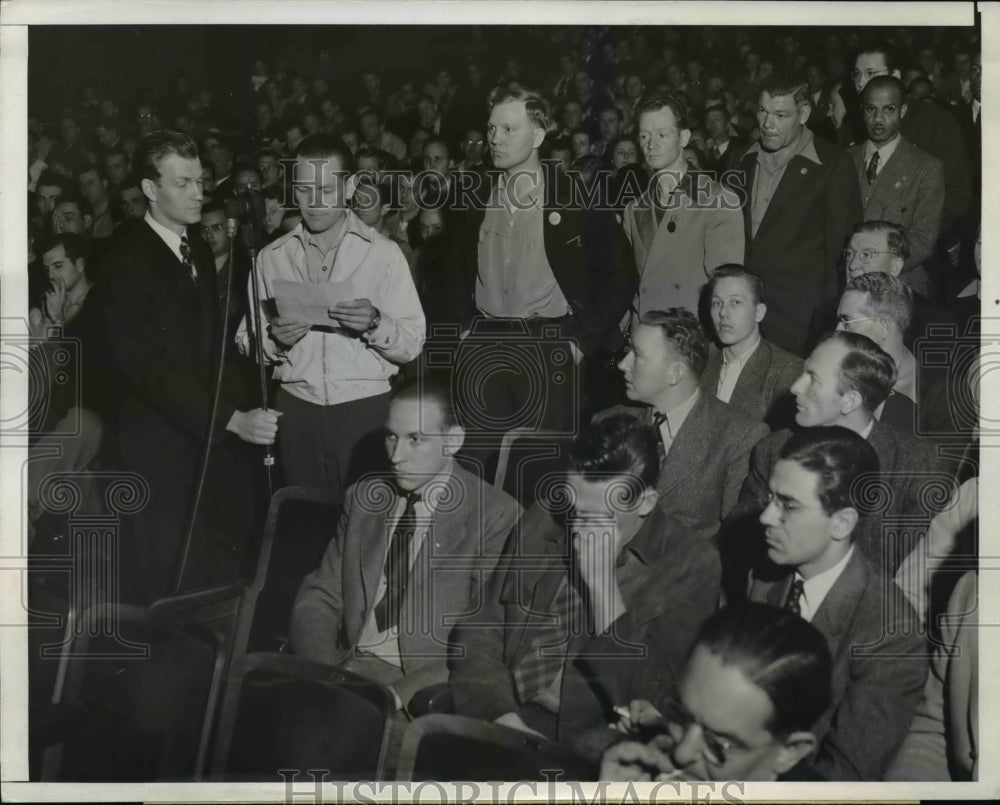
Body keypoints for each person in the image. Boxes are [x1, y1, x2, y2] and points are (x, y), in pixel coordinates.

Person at [449, 414, 720, 746]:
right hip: (505, 713)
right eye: (574, 506)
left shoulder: (689, 562)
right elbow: (481, 628)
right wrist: (501, 716)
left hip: (592, 742)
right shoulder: (545, 517)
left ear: (645, 502)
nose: (577, 526)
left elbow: (656, 700)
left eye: (599, 516)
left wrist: (604, 588)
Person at [98, 130, 280, 600]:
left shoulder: (196, 247)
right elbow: (147, 369)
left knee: (204, 574)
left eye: (201, 181)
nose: (199, 194)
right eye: (183, 184)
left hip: (200, 441)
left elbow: (209, 351)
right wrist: (230, 419)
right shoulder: (127, 257)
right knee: (162, 581)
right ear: (150, 189)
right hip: (154, 449)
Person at [290, 376, 521, 711]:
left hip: (422, 689)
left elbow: (483, 641)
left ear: (453, 441)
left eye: (416, 439)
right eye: (392, 437)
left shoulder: (496, 515)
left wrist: (394, 695)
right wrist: (323, 673)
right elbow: (319, 595)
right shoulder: (365, 498)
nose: (397, 456)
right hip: (343, 665)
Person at [442, 85, 635, 473]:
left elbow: (620, 274)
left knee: (542, 469)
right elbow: (452, 268)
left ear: (539, 136)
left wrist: (580, 340)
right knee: (476, 464)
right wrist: (464, 327)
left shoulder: (574, 196)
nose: (494, 139)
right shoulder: (474, 193)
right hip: (484, 343)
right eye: (492, 128)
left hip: (549, 346)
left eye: (508, 129)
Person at [236, 133, 425, 504]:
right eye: (304, 190)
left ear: (351, 186)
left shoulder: (383, 255)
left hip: (364, 409)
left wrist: (374, 323)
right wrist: (275, 340)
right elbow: (245, 342)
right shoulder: (272, 257)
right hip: (296, 410)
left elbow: (413, 344)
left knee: (366, 530)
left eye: (326, 188)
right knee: (306, 528)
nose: (314, 202)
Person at [748, 427, 927, 780]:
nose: (766, 517)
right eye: (770, 498)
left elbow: (841, 779)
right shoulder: (768, 574)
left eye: (788, 505)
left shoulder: (891, 636)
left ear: (842, 522)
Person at [740, 330, 942, 573]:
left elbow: (907, 576)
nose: (795, 387)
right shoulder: (773, 449)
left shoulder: (917, 465)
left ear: (850, 401)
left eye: (813, 378)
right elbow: (743, 548)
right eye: (802, 373)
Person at [600, 603, 831, 782]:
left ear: (789, 752)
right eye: (680, 716)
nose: (682, 753)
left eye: (718, 744)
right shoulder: (636, 768)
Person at [604, 309, 768, 542]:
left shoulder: (740, 436)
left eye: (637, 356)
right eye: (627, 351)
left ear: (676, 373)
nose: (622, 364)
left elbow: (733, 542)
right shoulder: (607, 421)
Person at [737, 73, 862, 356]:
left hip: (800, 321)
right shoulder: (740, 159)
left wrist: (828, 324)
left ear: (804, 113)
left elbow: (841, 255)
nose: (767, 124)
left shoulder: (833, 165)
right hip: (744, 313)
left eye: (781, 115)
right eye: (762, 111)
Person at [622, 91, 744, 319]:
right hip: (645, 335)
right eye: (644, 136)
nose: (651, 145)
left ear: (684, 137)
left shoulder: (717, 199)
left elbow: (727, 289)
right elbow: (627, 285)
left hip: (692, 336)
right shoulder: (634, 208)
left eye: (661, 134)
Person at [848, 76, 944, 295]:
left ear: (902, 111)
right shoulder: (845, 160)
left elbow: (923, 239)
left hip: (900, 285)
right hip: (848, 279)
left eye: (888, 109)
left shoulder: (926, 167)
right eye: (871, 109)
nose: (878, 119)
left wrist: (874, 269)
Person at [836, 272, 953, 435]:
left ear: (883, 326)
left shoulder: (939, 398)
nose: (837, 330)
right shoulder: (834, 375)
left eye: (846, 321)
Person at [700, 265, 802, 430]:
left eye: (735, 302)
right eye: (717, 302)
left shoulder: (787, 371)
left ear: (759, 312)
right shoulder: (701, 359)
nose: (723, 312)